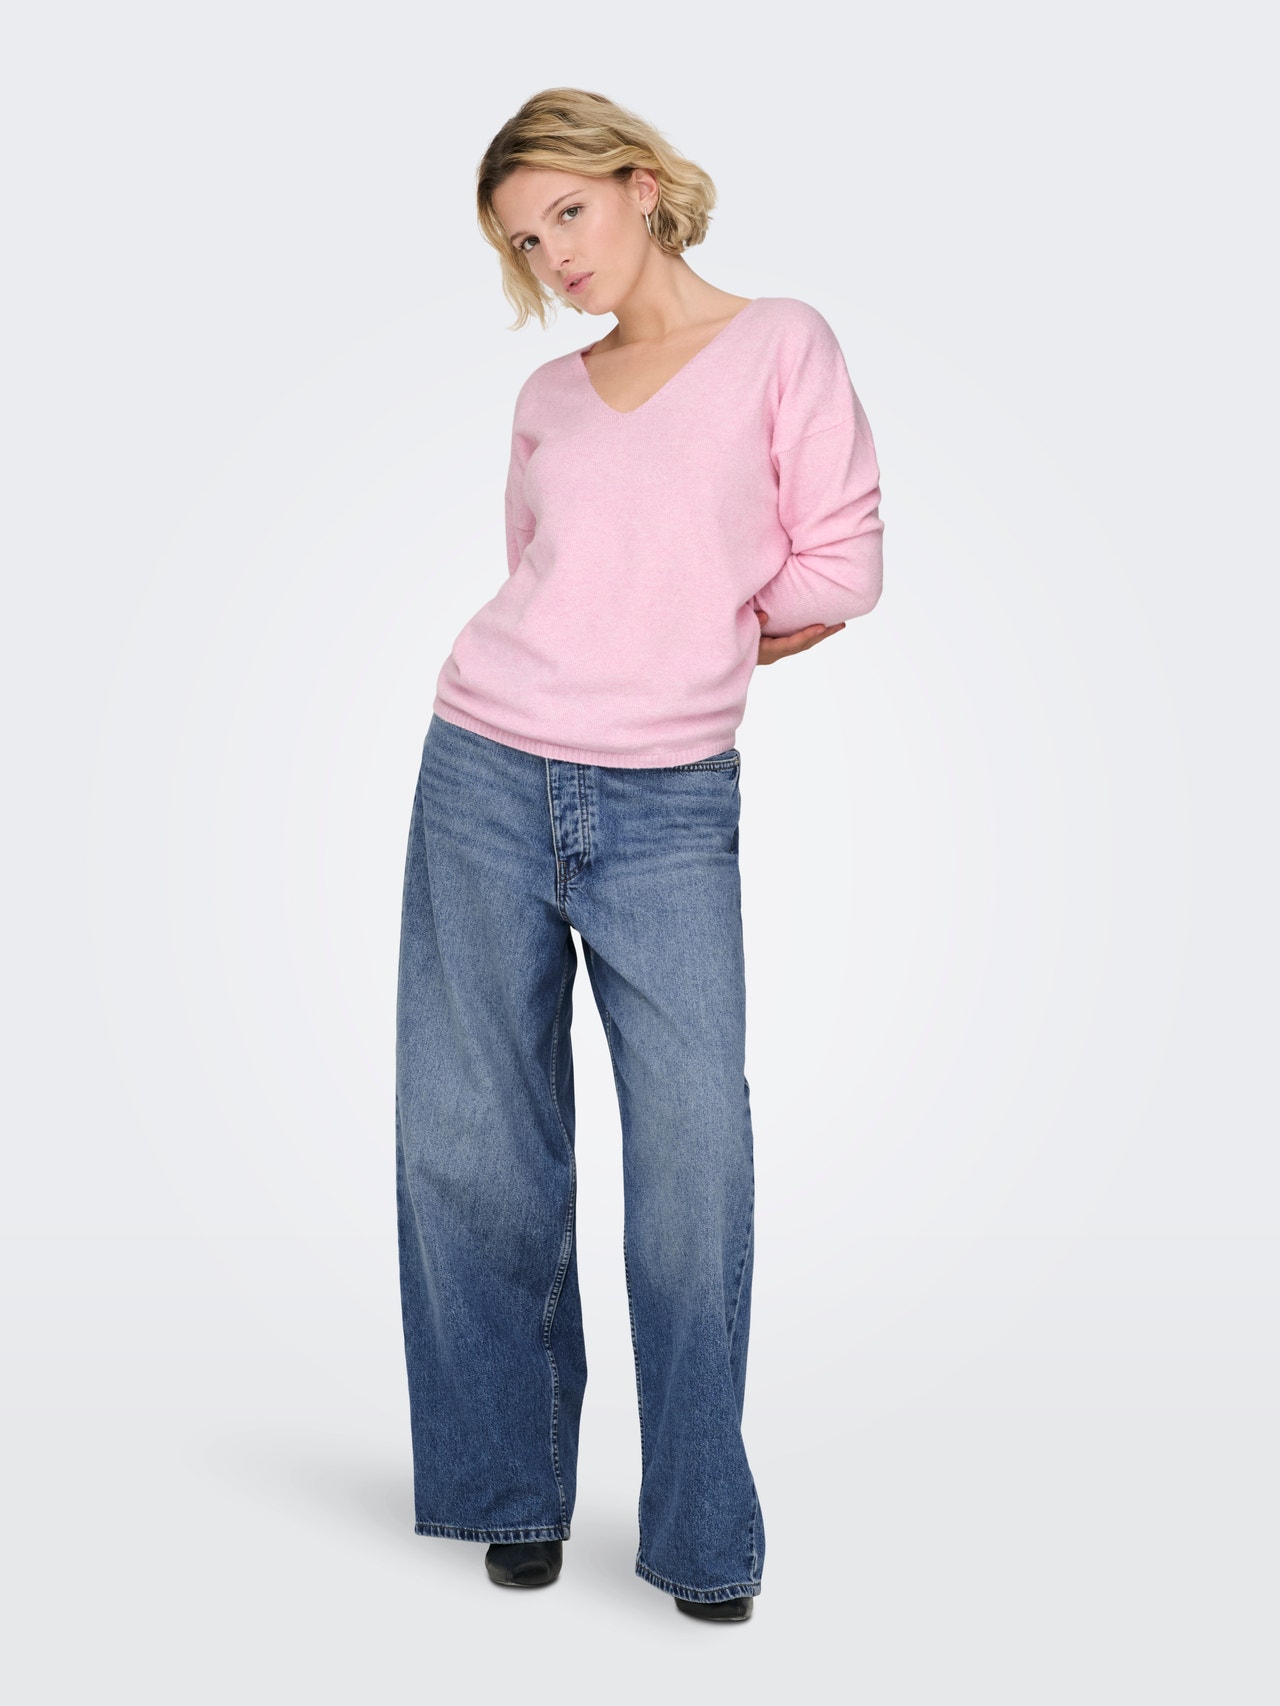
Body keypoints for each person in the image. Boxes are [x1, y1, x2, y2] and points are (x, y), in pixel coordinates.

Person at [395, 86, 885, 1623]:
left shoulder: (782, 342)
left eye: (568, 212)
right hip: (482, 769)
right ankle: (508, 1487)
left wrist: (700, 633)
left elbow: (841, 564)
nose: (555, 256)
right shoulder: (547, 398)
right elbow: (541, 573)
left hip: (667, 801)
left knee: (692, 1163)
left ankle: (701, 1527)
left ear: (642, 184)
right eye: (524, 241)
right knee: (475, 1148)